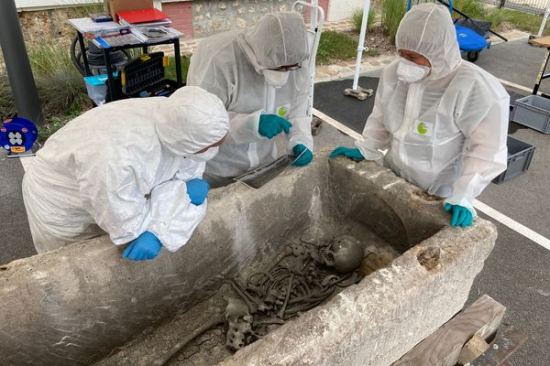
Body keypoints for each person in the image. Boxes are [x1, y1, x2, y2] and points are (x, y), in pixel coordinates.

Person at [330, 3, 509, 228]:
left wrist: (464, 194)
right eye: (402, 53)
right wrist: (367, 147)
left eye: (414, 57)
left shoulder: (477, 89)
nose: (405, 62)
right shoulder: (394, 74)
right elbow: (380, 117)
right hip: (392, 175)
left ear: (439, 52)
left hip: (438, 192)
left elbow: (486, 151)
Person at [22, 86, 229, 261]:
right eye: (208, 147)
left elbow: (186, 160)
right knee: (73, 267)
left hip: (98, 181)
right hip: (60, 201)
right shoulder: (117, 157)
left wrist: (182, 191)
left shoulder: (176, 117)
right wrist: (160, 229)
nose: (213, 152)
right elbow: (124, 223)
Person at [187, 12, 314, 187]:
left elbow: (299, 110)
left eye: (289, 68)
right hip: (219, 170)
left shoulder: (297, 59)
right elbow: (201, 123)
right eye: (279, 66)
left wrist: (301, 139)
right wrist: (250, 125)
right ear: (259, 52)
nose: (285, 73)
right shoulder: (219, 58)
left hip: (265, 167)